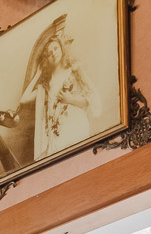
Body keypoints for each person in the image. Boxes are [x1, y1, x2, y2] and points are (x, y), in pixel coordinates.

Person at [18, 13, 96, 161]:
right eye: (49, 53)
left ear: (61, 48)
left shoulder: (73, 70)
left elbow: (88, 101)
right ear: (46, 59)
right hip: (56, 137)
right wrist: (37, 74)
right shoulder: (46, 85)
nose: (53, 53)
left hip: (75, 127)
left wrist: (70, 99)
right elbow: (24, 99)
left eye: (55, 48)